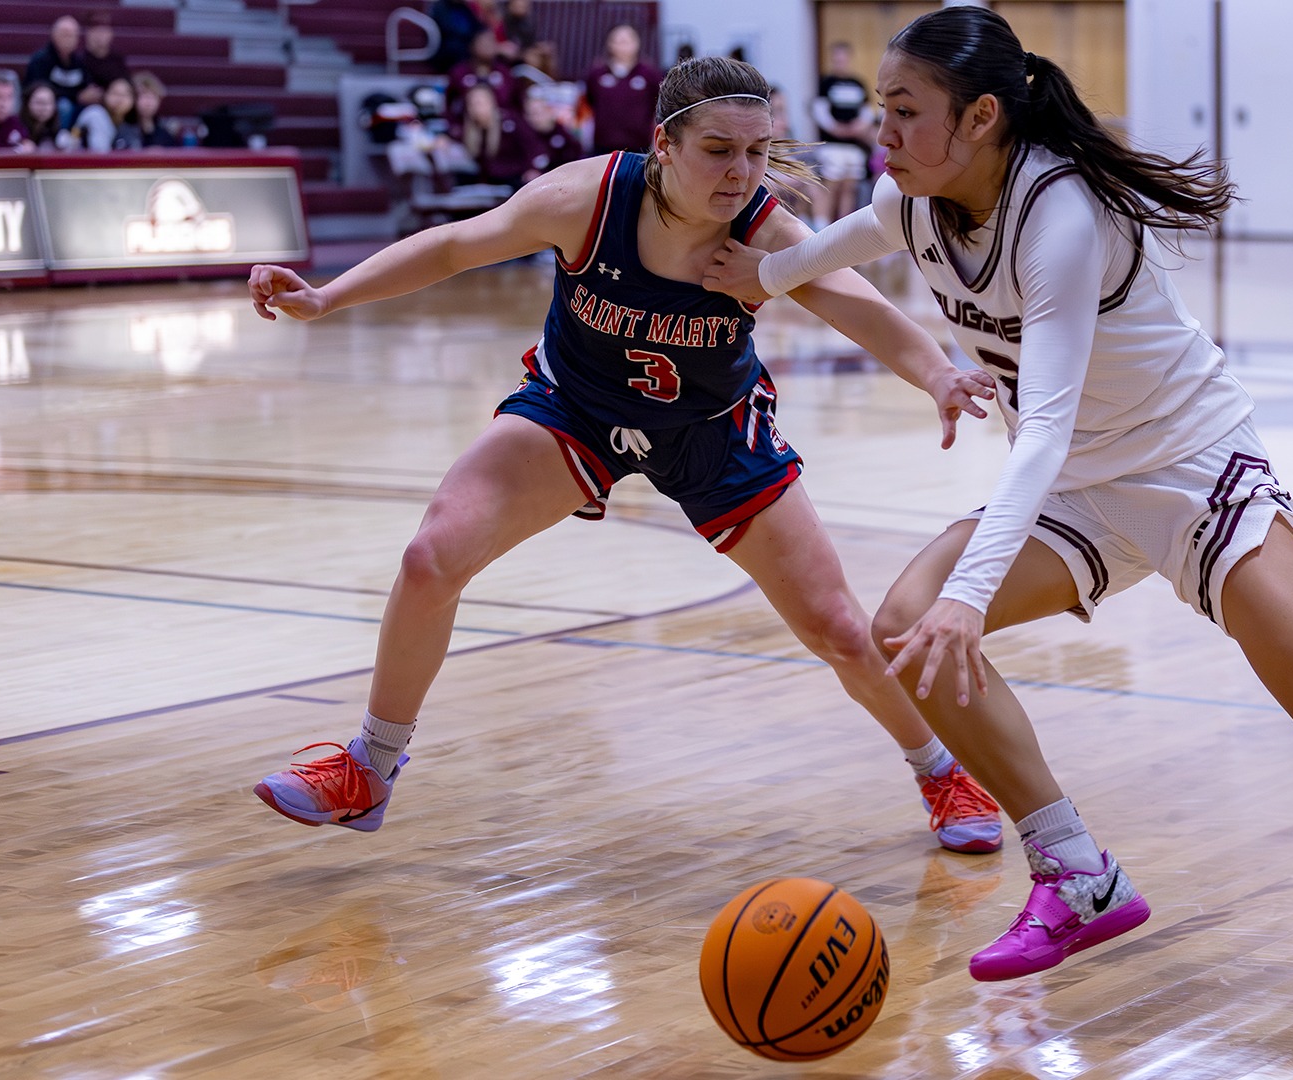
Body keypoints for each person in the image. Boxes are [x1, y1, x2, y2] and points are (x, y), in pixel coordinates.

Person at [704, 5, 1293, 1043]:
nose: (885, 133)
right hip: (1086, 494)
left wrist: (970, 596)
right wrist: (765, 276)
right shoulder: (913, 199)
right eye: (883, 111)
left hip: (1196, 480)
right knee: (905, 628)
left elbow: (1038, 429)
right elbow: (849, 240)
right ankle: (1074, 868)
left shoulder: (1062, 216)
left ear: (983, 117)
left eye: (906, 113)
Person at [247, 56, 1008, 860]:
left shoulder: (763, 231)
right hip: (576, 408)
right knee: (433, 556)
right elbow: (452, 249)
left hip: (713, 430)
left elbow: (861, 305)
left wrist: (936, 375)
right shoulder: (586, 197)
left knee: (840, 630)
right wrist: (327, 296)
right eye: (719, 150)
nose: (742, 172)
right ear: (664, 145)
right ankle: (370, 764)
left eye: (757, 153)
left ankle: (941, 769)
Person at [811, 42, 877, 228]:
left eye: (844, 57)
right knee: (832, 185)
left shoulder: (858, 84)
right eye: (837, 57)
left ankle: (844, 227)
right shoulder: (826, 83)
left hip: (854, 146)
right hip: (832, 145)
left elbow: (867, 111)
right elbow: (820, 111)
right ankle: (827, 227)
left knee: (850, 187)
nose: (840, 61)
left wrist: (858, 128)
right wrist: (836, 128)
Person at [581, 23, 660, 154]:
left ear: (637, 43)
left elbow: (657, 104)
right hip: (603, 147)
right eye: (617, 41)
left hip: (639, 147)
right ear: (609, 44)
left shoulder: (649, 74)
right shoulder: (597, 73)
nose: (622, 46)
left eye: (626, 41)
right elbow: (589, 101)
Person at [448, 28, 518, 128]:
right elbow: (449, 102)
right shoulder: (459, 72)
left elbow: (516, 102)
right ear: (472, 45)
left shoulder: (505, 72)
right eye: (483, 42)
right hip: (465, 126)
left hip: (502, 128)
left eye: (491, 42)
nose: (487, 46)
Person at [25, 16, 86, 127]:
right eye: (64, 34)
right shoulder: (41, 59)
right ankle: (59, 138)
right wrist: (76, 95)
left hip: (74, 105)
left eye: (72, 35)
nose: (68, 39)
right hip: (47, 104)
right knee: (63, 105)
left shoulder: (79, 61)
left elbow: (85, 85)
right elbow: (37, 87)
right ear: (53, 35)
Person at [79, 13, 131, 110]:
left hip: (114, 106)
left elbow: (126, 84)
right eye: (95, 30)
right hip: (85, 108)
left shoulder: (117, 60)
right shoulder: (79, 60)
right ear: (88, 33)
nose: (100, 35)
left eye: (103, 31)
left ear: (111, 34)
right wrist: (80, 95)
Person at [521, 92, 581, 176]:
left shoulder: (564, 135)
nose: (534, 119)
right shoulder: (524, 136)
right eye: (529, 114)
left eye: (537, 113)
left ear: (549, 111)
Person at [73, 75, 137, 151]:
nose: (119, 99)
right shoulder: (95, 114)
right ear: (105, 95)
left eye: (124, 95)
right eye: (115, 93)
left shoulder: (135, 124)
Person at [130, 71, 176, 148]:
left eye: (152, 97)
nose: (148, 102)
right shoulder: (124, 130)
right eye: (143, 96)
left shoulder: (165, 133)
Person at [20, 81, 65, 149]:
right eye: (39, 102)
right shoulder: (16, 129)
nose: (43, 108)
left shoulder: (58, 134)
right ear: (27, 103)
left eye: (48, 103)